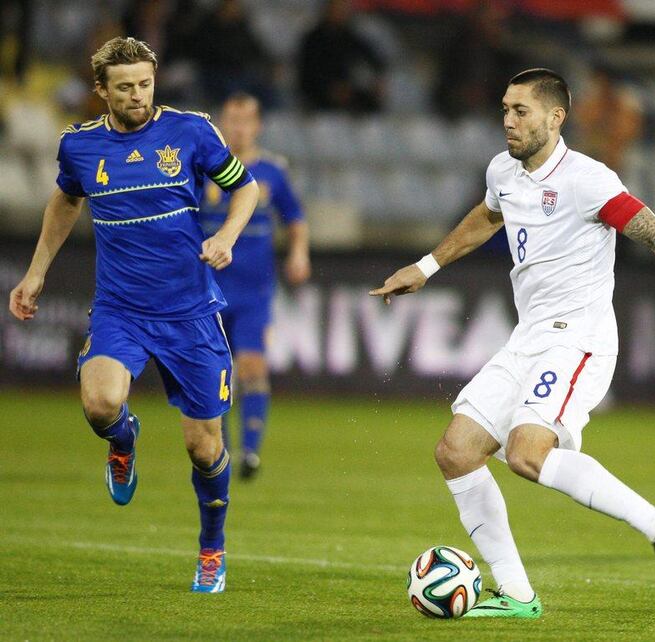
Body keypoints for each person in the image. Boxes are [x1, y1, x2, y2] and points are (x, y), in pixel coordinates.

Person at [370, 68, 655, 618]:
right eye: (505, 108)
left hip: (579, 339)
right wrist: (427, 266)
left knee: (528, 454)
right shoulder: (503, 170)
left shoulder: (588, 179)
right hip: (528, 336)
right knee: (455, 453)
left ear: (556, 118)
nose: (508, 120)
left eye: (520, 111)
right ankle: (519, 597)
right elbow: (487, 217)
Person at [8, 36, 259, 593]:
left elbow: (245, 189)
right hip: (121, 309)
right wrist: (36, 272)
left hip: (191, 312)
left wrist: (226, 235)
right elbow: (65, 200)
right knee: (100, 404)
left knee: (205, 447)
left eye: (145, 84)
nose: (138, 96)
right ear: (101, 91)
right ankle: (123, 441)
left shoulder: (192, 131)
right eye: (125, 88)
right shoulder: (79, 147)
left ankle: (211, 550)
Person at [198, 92, 310, 479]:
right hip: (208, 288)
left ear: (257, 125)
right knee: (215, 373)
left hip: (254, 291)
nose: (239, 127)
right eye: (232, 119)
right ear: (222, 123)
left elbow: (295, 216)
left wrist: (298, 253)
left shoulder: (273, 172)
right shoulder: (204, 167)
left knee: (252, 366)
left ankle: (250, 452)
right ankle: (220, 450)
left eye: (246, 120)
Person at [297, 0, 386, 113]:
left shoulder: (348, 35)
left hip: (345, 89)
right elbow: (309, 71)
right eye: (338, 10)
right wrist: (331, 87)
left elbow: (370, 55)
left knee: (370, 102)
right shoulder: (313, 39)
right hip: (319, 90)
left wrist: (378, 78)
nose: (342, 13)